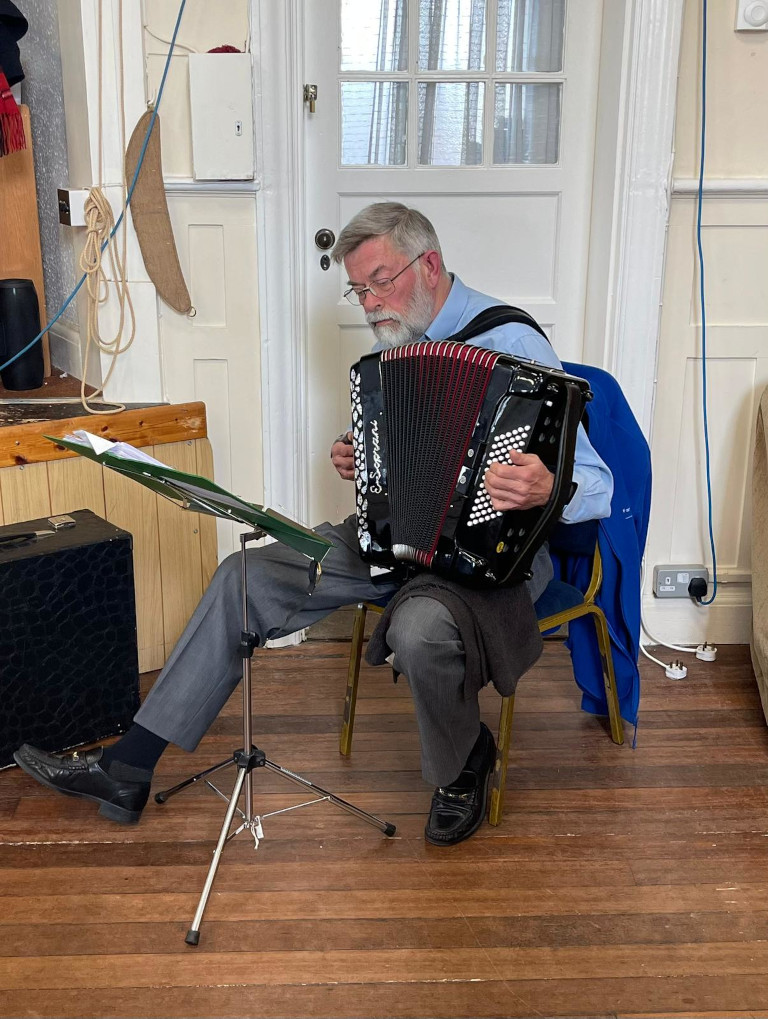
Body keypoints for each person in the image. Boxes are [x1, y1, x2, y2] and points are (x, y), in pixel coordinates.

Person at [14, 203, 612, 846]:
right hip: (397, 544)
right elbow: (408, 455)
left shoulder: (513, 341)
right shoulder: (403, 343)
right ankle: (127, 768)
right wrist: (363, 458)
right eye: (358, 290)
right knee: (245, 576)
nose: (369, 302)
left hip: (495, 559)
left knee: (418, 630)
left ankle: (464, 761)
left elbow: (599, 484)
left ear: (430, 265)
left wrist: (550, 486)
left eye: (380, 281)